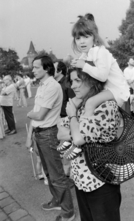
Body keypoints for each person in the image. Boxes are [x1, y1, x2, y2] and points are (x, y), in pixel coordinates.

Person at [58, 13, 129, 158]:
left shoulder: (101, 52)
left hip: (116, 90)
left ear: (94, 38)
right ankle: (70, 137)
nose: (82, 41)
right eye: (78, 38)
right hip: (105, 89)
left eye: (86, 37)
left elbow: (102, 75)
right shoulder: (87, 54)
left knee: (89, 103)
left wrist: (83, 65)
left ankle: (79, 142)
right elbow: (81, 71)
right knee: (75, 102)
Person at [58, 67, 121, 221]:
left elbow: (78, 139)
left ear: (92, 80)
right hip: (82, 179)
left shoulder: (106, 106)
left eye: (77, 80)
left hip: (102, 181)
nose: (72, 86)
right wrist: (76, 129)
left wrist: (72, 117)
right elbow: (60, 131)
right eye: (72, 81)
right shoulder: (83, 104)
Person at [26, 54, 75, 221]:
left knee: (57, 175)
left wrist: (29, 114)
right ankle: (57, 201)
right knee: (48, 173)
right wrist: (30, 134)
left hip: (48, 134)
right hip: (40, 133)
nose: (33, 70)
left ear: (46, 68)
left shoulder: (52, 86)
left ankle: (68, 212)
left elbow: (39, 115)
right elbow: (37, 115)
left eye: (36, 67)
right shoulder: (42, 85)